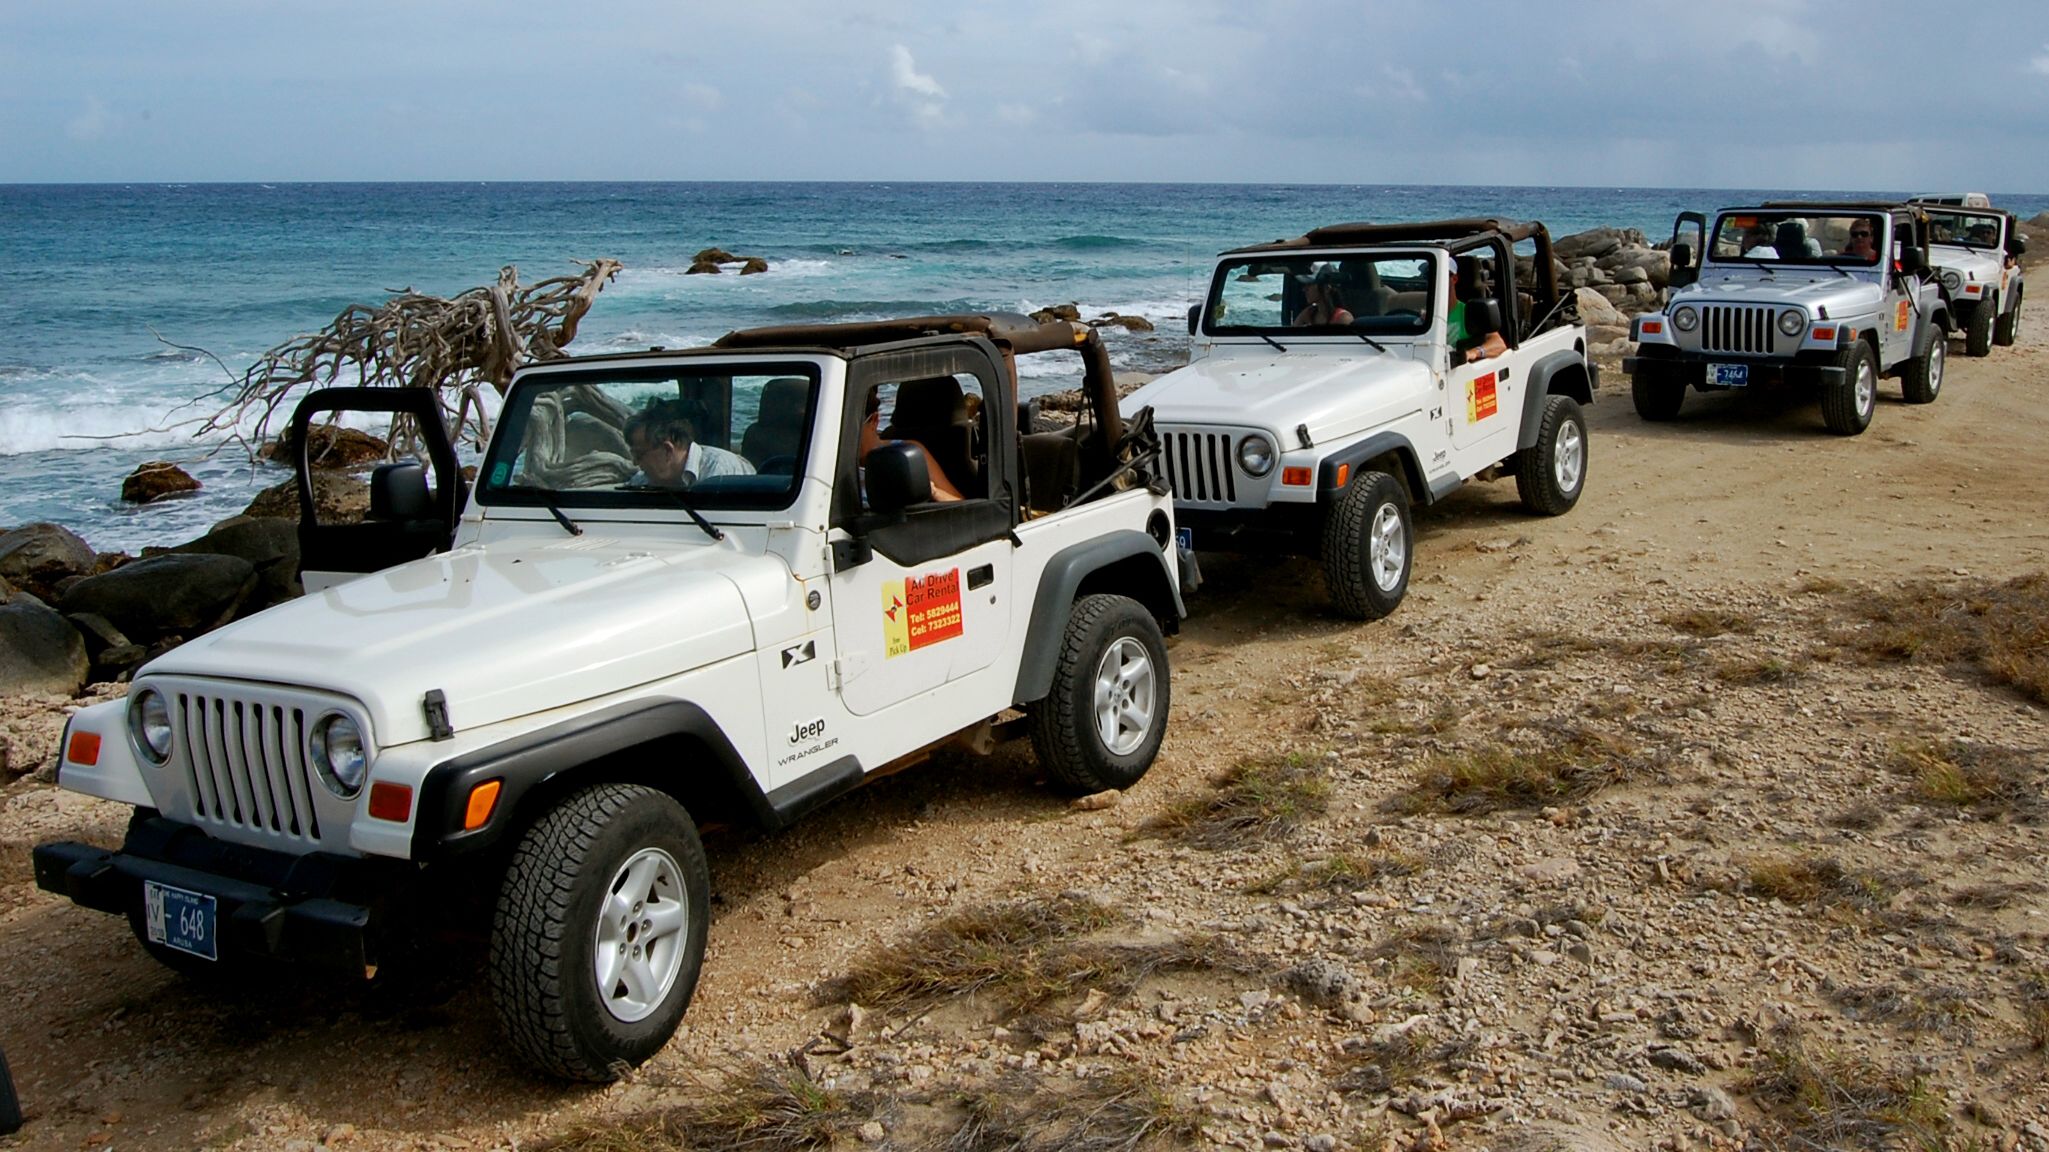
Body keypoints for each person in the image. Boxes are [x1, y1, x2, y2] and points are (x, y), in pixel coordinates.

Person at [859, 387, 963, 502]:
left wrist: (931, 490)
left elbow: (960, 505)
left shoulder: (906, 453)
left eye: (852, 430)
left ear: (874, 420)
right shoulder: (837, 462)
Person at [623, 398, 754, 488]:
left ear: (668, 450)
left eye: (639, 455)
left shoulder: (720, 473)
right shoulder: (642, 480)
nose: (635, 462)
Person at [1445, 258, 1508, 365]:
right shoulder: (1425, 318)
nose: (1435, 280)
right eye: (1431, 276)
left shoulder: (1469, 313)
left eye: (1442, 276)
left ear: (1454, 279)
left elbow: (1499, 344)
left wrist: (1472, 353)